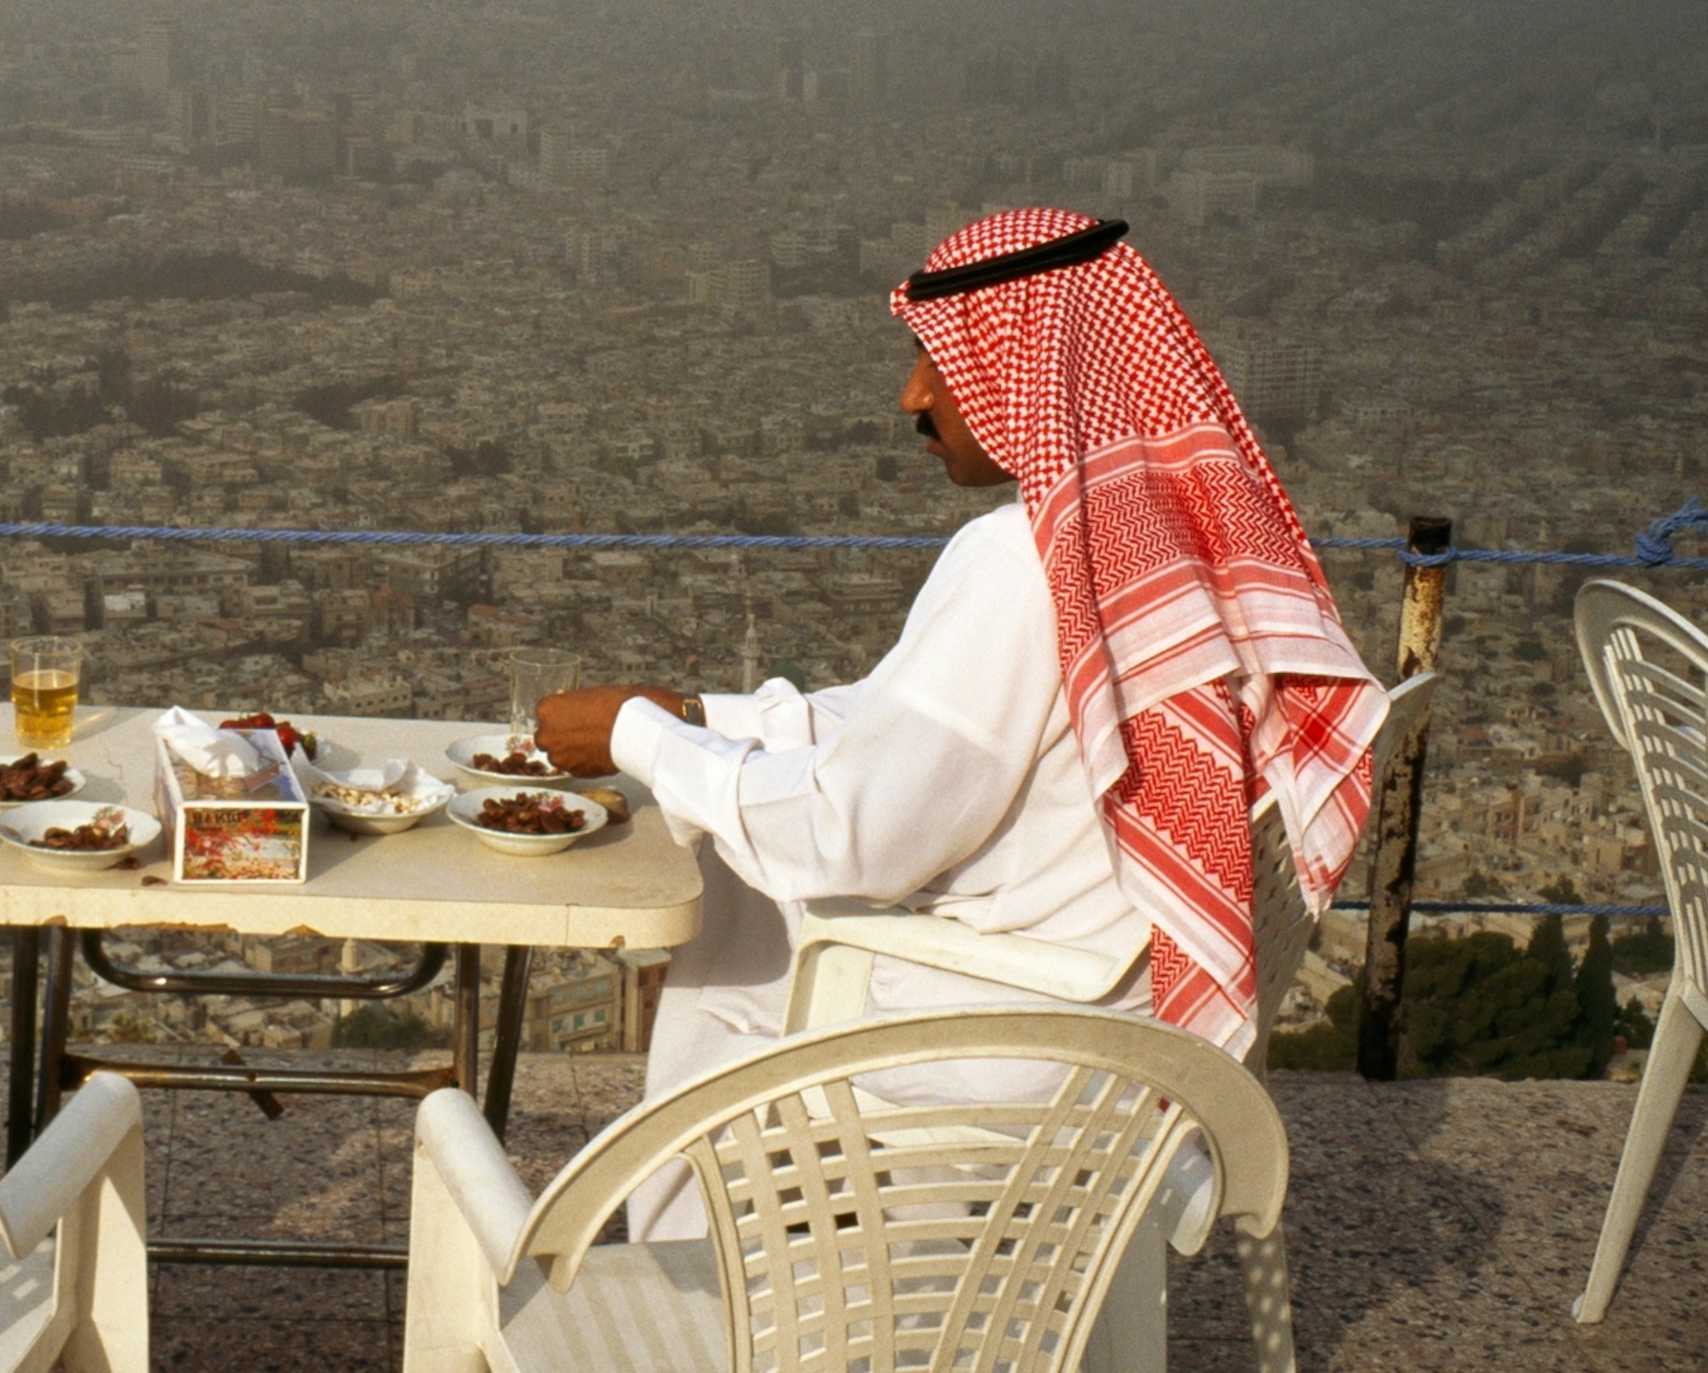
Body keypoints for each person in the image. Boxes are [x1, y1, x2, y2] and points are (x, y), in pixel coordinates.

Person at [538, 208, 1384, 1240]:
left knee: (739, 930)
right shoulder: (1171, 530)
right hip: (1128, 1004)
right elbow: (937, 727)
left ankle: (693, 1295)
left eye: (941, 363)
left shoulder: (1023, 562)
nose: (913, 398)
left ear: (1027, 372)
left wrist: (640, 739)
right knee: (745, 866)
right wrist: (710, 721)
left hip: (1011, 1035)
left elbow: (859, 831)